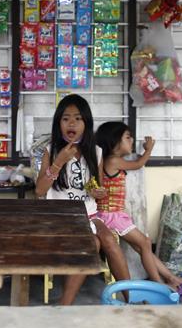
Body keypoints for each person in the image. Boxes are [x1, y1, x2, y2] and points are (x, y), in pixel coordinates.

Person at [34, 94, 130, 305]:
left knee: (109, 241)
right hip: (60, 216)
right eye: (66, 118)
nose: (72, 123)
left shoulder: (96, 152)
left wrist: (98, 192)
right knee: (92, 244)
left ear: (86, 123)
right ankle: (65, 304)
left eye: (78, 118)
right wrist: (59, 162)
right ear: (58, 123)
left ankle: (131, 298)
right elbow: (39, 190)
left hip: (89, 214)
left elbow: (97, 187)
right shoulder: (51, 151)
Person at [94, 121, 182, 297]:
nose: (131, 140)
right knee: (145, 243)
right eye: (127, 137)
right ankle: (161, 286)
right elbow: (138, 163)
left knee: (142, 247)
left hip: (114, 214)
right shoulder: (113, 160)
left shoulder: (109, 160)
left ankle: (172, 279)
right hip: (111, 215)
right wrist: (148, 150)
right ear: (114, 141)